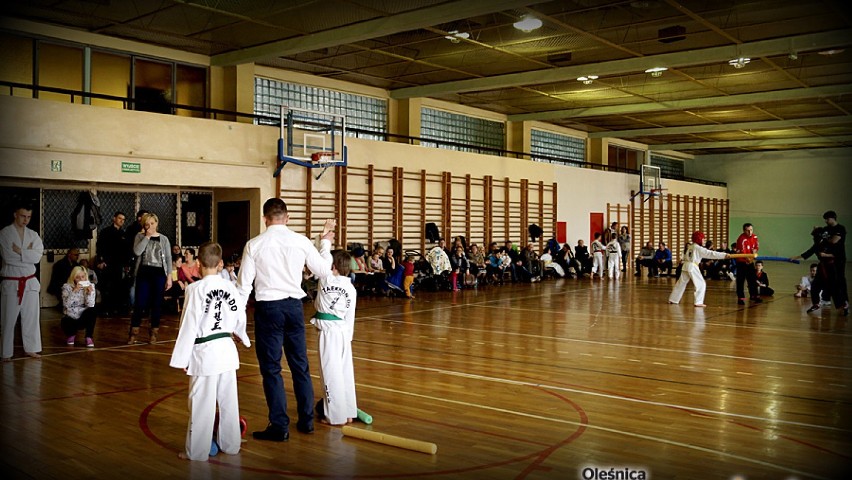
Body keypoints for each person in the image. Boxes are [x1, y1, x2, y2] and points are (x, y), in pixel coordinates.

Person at [237, 198, 335, 442]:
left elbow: (243, 287)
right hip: (293, 307)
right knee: (299, 365)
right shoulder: (300, 241)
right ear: (287, 217)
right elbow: (324, 270)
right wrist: (325, 242)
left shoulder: (254, 244)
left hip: (268, 308)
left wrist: (234, 321)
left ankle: (279, 425)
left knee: (271, 369)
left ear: (265, 218)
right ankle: (306, 420)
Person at [170, 242, 250, 462]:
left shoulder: (195, 289)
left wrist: (182, 357)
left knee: (202, 403)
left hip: (204, 352)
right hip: (226, 349)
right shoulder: (231, 288)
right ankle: (231, 445)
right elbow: (239, 318)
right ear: (221, 263)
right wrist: (243, 337)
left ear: (198, 263)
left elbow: (189, 325)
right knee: (228, 401)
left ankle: (196, 452)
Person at [311, 250, 359, 426]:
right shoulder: (351, 289)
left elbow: (322, 260)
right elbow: (350, 316)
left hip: (329, 333)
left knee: (330, 373)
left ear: (332, 266)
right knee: (345, 372)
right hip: (343, 332)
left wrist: (325, 241)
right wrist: (348, 338)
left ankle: (335, 416)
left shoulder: (326, 280)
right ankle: (348, 412)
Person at [1, 204, 44, 361]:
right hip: (12, 282)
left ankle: (31, 348)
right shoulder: (5, 233)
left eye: (28, 217)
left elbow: (37, 257)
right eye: (22, 216)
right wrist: (28, 254)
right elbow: (8, 257)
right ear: (15, 214)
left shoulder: (33, 235)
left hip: (30, 282)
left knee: (31, 317)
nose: (25, 220)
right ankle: (5, 352)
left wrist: (20, 251)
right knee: (8, 319)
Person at [129, 213, 173, 344]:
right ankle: (133, 333)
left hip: (159, 272)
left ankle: (154, 332)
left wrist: (169, 277)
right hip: (144, 272)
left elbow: (169, 259)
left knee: (156, 304)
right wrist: (147, 237)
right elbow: (137, 252)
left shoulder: (164, 239)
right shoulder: (139, 236)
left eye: (152, 223)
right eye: (147, 224)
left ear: (157, 223)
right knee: (140, 303)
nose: (150, 226)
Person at [668, 231, 730, 307]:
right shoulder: (698, 248)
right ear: (699, 239)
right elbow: (710, 254)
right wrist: (724, 255)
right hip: (692, 266)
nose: (704, 241)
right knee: (701, 284)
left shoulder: (691, 246)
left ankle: (673, 299)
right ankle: (698, 302)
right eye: (703, 239)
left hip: (686, 265)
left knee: (681, 283)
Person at [96, 211, 127, 316]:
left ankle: (116, 309)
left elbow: (125, 250)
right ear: (114, 219)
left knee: (118, 286)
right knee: (106, 287)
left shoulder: (123, 233)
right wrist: (101, 261)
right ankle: (106, 309)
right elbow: (100, 247)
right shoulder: (106, 232)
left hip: (119, 265)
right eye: (119, 218)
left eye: (123, 220)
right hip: (107, 263)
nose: (121, 221)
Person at [61, 265, 97, 347]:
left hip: (83, 317)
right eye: (78, 277)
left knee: (93, 310)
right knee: (65, 320)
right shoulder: (66, 287)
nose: (81, 279)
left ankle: (89, 337)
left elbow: (91, 304)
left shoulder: (91, 286)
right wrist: (74, 291)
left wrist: (89, 293)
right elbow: (66, 305)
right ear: (73, 278)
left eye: (83, 277)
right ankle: (71, 334)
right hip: (71, 317)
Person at [734, 223, 761, 305]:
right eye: (748, 230)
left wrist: (754, 252)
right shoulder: (741, 239)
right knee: (741, 280)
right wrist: (749, 259)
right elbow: (743, 252)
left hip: (750, 261)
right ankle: (740, 298)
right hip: (742, 262)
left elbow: (756, 247)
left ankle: (754, 295)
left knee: (752, 279)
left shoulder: (755, 237)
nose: (750, 232)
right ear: (744, 231)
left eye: (751, 230)